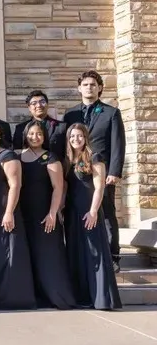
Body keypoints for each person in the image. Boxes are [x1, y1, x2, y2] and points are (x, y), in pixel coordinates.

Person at [63, 71, 125, 270]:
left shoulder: (111, 113)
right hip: (77, 174)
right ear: (79, 88)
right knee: (80, 210)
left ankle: (113, 255)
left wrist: (114, 171)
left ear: (99, 88)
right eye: (86, 84)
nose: (89, 87)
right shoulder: (71, 114)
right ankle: (86, 252)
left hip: (102, 172)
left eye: (93, 84)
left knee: (106, 212)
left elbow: (118, 144)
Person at [0, 118, 36, 310]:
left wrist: (9, 212)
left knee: (8, 250)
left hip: (4, 210)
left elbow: (15, 185)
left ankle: (11, 298)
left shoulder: (8, 156)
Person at [18, 121, 76, 309]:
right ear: (26, 135)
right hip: (23, 213)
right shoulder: (17, 156)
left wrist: (53, 213)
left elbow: (58, 187)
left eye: (39, 134)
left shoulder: (50, 158)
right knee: (29, 256)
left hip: (44, 213)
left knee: (48, 256)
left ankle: (57, 296)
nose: (35, 137)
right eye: (31, 134)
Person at [63, 123, 121, 310]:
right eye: (72, 137)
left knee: (94, 252)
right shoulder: (68, 160)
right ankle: (83, 297)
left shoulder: (94, 157)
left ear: (86, 137)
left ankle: (102, 298)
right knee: (77, 252)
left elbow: (99, 187)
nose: (76, 139)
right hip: (73, 213)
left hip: (89, 211)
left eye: (79, 136)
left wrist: (94, 211)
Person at [12, 90, 66, 160]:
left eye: (42, 102)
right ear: (29, 107)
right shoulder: (21, 128)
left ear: (47, 104)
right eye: (34, 103)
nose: (39, 105)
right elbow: (17, 152)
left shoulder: (61, 127)